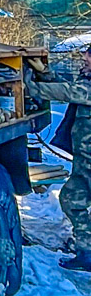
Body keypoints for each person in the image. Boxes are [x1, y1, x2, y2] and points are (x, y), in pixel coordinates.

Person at [25, 44, 91, 270]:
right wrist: (44, 73)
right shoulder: (86, 82)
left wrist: (30, 86)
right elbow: (69, 88)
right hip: (85, 160)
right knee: (72, 199)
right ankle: (87, 251)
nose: (84, 59)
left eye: (88, 56)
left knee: (74, 199)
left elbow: (68, 92)